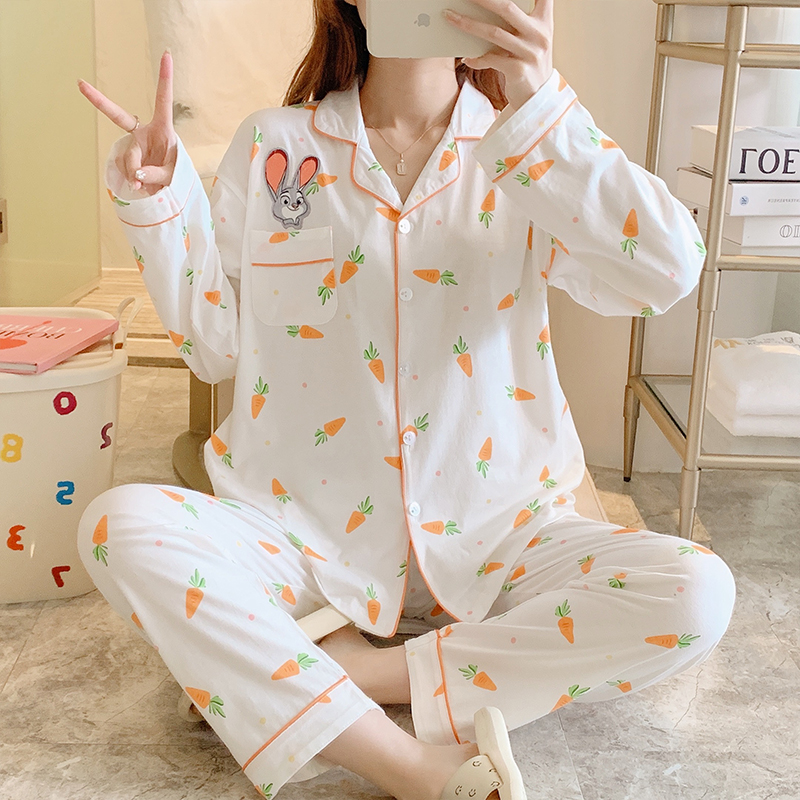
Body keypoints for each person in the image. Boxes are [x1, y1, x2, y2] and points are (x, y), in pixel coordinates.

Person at [76, 0, 737, 798]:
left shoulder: (525, 146)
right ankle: (411, 765)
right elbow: (213, 348)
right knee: (119, 526)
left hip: (501, 533)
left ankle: (345, 673)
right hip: (302, 539)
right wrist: (159, 206)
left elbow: (667, 272)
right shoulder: (274, 146)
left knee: (696, 592)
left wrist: (540, 102)